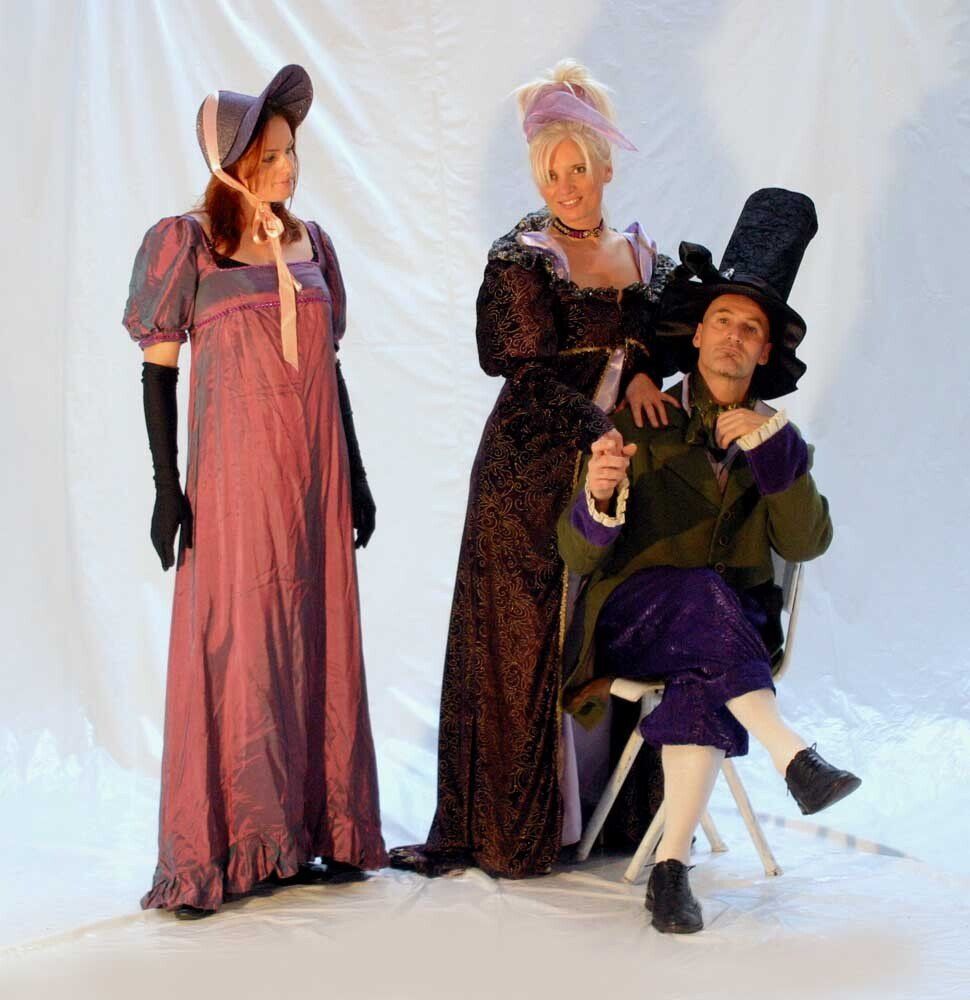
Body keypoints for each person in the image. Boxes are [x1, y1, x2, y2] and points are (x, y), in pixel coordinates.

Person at [391, 60, 687, 879]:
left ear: (606, 168)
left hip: (614, 467)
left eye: (578, 169)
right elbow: (521, 370)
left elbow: (657, 344)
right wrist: (598, 420)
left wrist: (639, 374)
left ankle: (609, 813)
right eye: (551, 173)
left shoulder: (642, 256)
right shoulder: (523, 255)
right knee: (525, 634)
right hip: (528, 468)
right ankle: (516, 826)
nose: (566, 187)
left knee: (607, 619)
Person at [557, 188, 861, 934]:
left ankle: (670, 871)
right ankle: (792, 755)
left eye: (750, 329)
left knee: (701, 671)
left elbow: (807, 544)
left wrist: (774, 454)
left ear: (765, 352)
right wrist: (599, 495)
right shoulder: (640, 418)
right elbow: (575, 552)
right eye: (722, 320)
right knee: (697, 592)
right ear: (696, 335)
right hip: (635, 624)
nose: (733, 336)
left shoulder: (779, 441)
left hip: (722, 643)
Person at [123, 65, 385, 918]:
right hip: (235, 487)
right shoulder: (190, 244)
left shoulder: (315, 246)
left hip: (315, 482)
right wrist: (166, 489)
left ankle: (314, 831)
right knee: (240, 648)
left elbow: (328, 371)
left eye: (290, 152)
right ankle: (233, 845)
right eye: (269, 156)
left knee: (313, 637)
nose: (287, 168)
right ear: (231, 163)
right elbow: (158, 373)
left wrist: (358, 475)